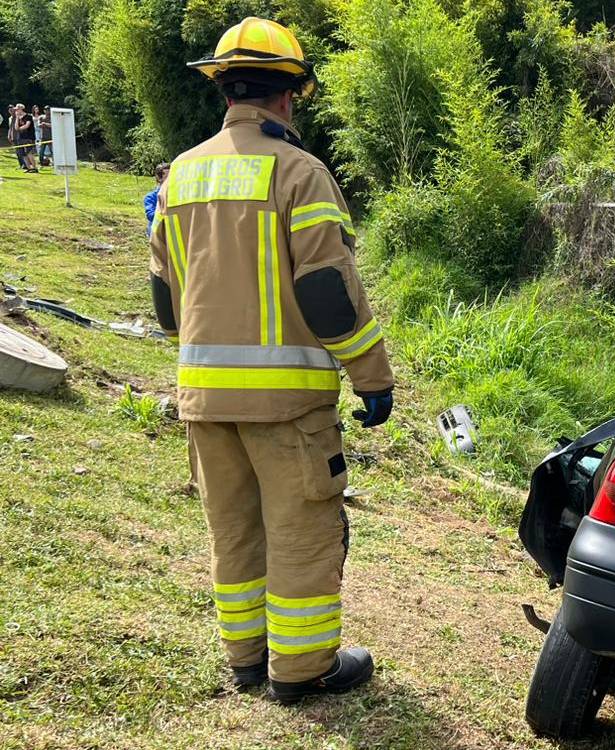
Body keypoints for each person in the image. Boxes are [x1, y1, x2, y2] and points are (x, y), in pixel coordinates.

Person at [151, 17, 394, 703]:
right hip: (286, 408)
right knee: (301, 532)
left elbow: (167, 306)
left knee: (232, 533)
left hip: (202, 400)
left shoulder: (181, 177)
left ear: (223, 90)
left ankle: (247, 662)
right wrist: (372, 379)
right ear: (289, 96)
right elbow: (329, 298)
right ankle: (302, 670)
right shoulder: (300, 173)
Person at [143, 162, 169, 236]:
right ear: (159, 178)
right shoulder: (151, 197)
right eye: (167, 177)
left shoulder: (177, 194)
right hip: (156, 233)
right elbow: (150, 215)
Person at [13, 104, 37, 172]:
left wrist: (19, 128)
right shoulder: (18, 118)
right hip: (20, 137)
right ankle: (29, 168)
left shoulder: (28, 117)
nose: (16, 111)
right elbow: (16, 128)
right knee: (23, 154)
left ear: (21, 109)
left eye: (17, 109)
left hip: (28, 137)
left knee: (29, 153)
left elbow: (27, 125)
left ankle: (34, 168)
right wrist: (17, 118)